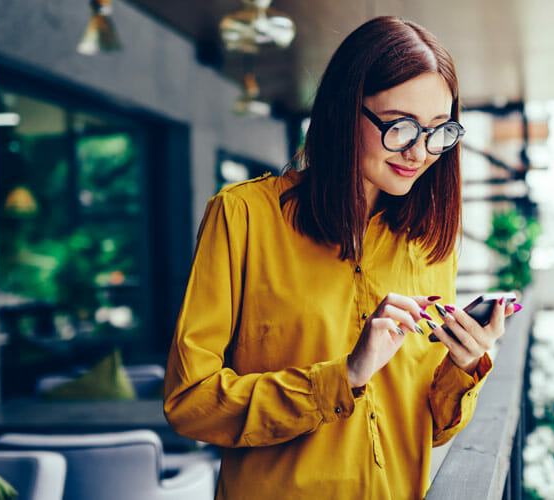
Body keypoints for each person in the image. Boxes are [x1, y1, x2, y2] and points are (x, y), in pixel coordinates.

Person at [163, 16, 517, 499]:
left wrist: (466, 363)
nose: (419, 152)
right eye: (400, 126)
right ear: (343, 111)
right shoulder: (242, 217)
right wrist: (343, 376)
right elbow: (191, 403)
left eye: (438, 130)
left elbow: (433, 429)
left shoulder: (428, 240)